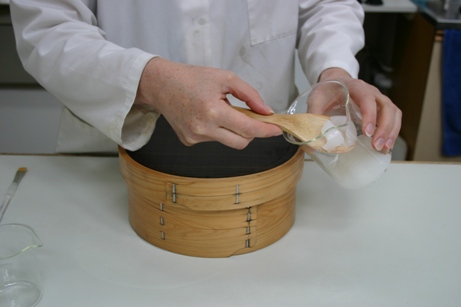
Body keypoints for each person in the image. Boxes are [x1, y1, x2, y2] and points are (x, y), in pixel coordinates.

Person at [10, 0, 401, 154]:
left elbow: (325, 4)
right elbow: (48, 27)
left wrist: (334, 70)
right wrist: (150, 80)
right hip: (113, 156)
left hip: (271, 151)